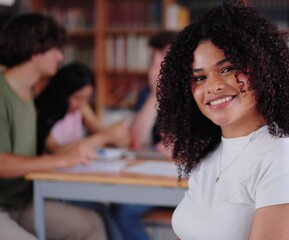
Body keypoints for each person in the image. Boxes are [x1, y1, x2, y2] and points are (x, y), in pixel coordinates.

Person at [156, 1, 289, 239]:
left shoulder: (283, 160)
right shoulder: (209, 154)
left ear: (263, 68)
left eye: (227, 69)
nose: (212, 87)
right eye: (199, 77)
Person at [0, 13, 106, 240]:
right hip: (2, 207)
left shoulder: (29, 91)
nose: (61, 56)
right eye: (56, 49)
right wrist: (62, 159)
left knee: (91, 224)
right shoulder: (2, 93)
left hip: (24, 202)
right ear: (35, 51)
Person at [35, 62, 131, 240]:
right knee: (104, 214)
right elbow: (56, 150)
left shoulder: (81, 107)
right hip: (54, 186)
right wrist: (102, 138)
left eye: (86, 98)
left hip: (76, 179)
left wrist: (116, 135)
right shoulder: (43, 112)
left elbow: (102, 132)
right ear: (63, 92)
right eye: (77, 97)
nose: (80, 103)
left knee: (109, 211)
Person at [111, 31, 177, 240]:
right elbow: (136, 140)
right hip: (155, 177)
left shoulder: (196, 91)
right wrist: (154, 95)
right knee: (117, 205)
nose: (157, 64)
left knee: (124, 211)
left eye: (162, 57)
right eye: (153, 59)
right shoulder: (147, 94)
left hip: (186, 183)